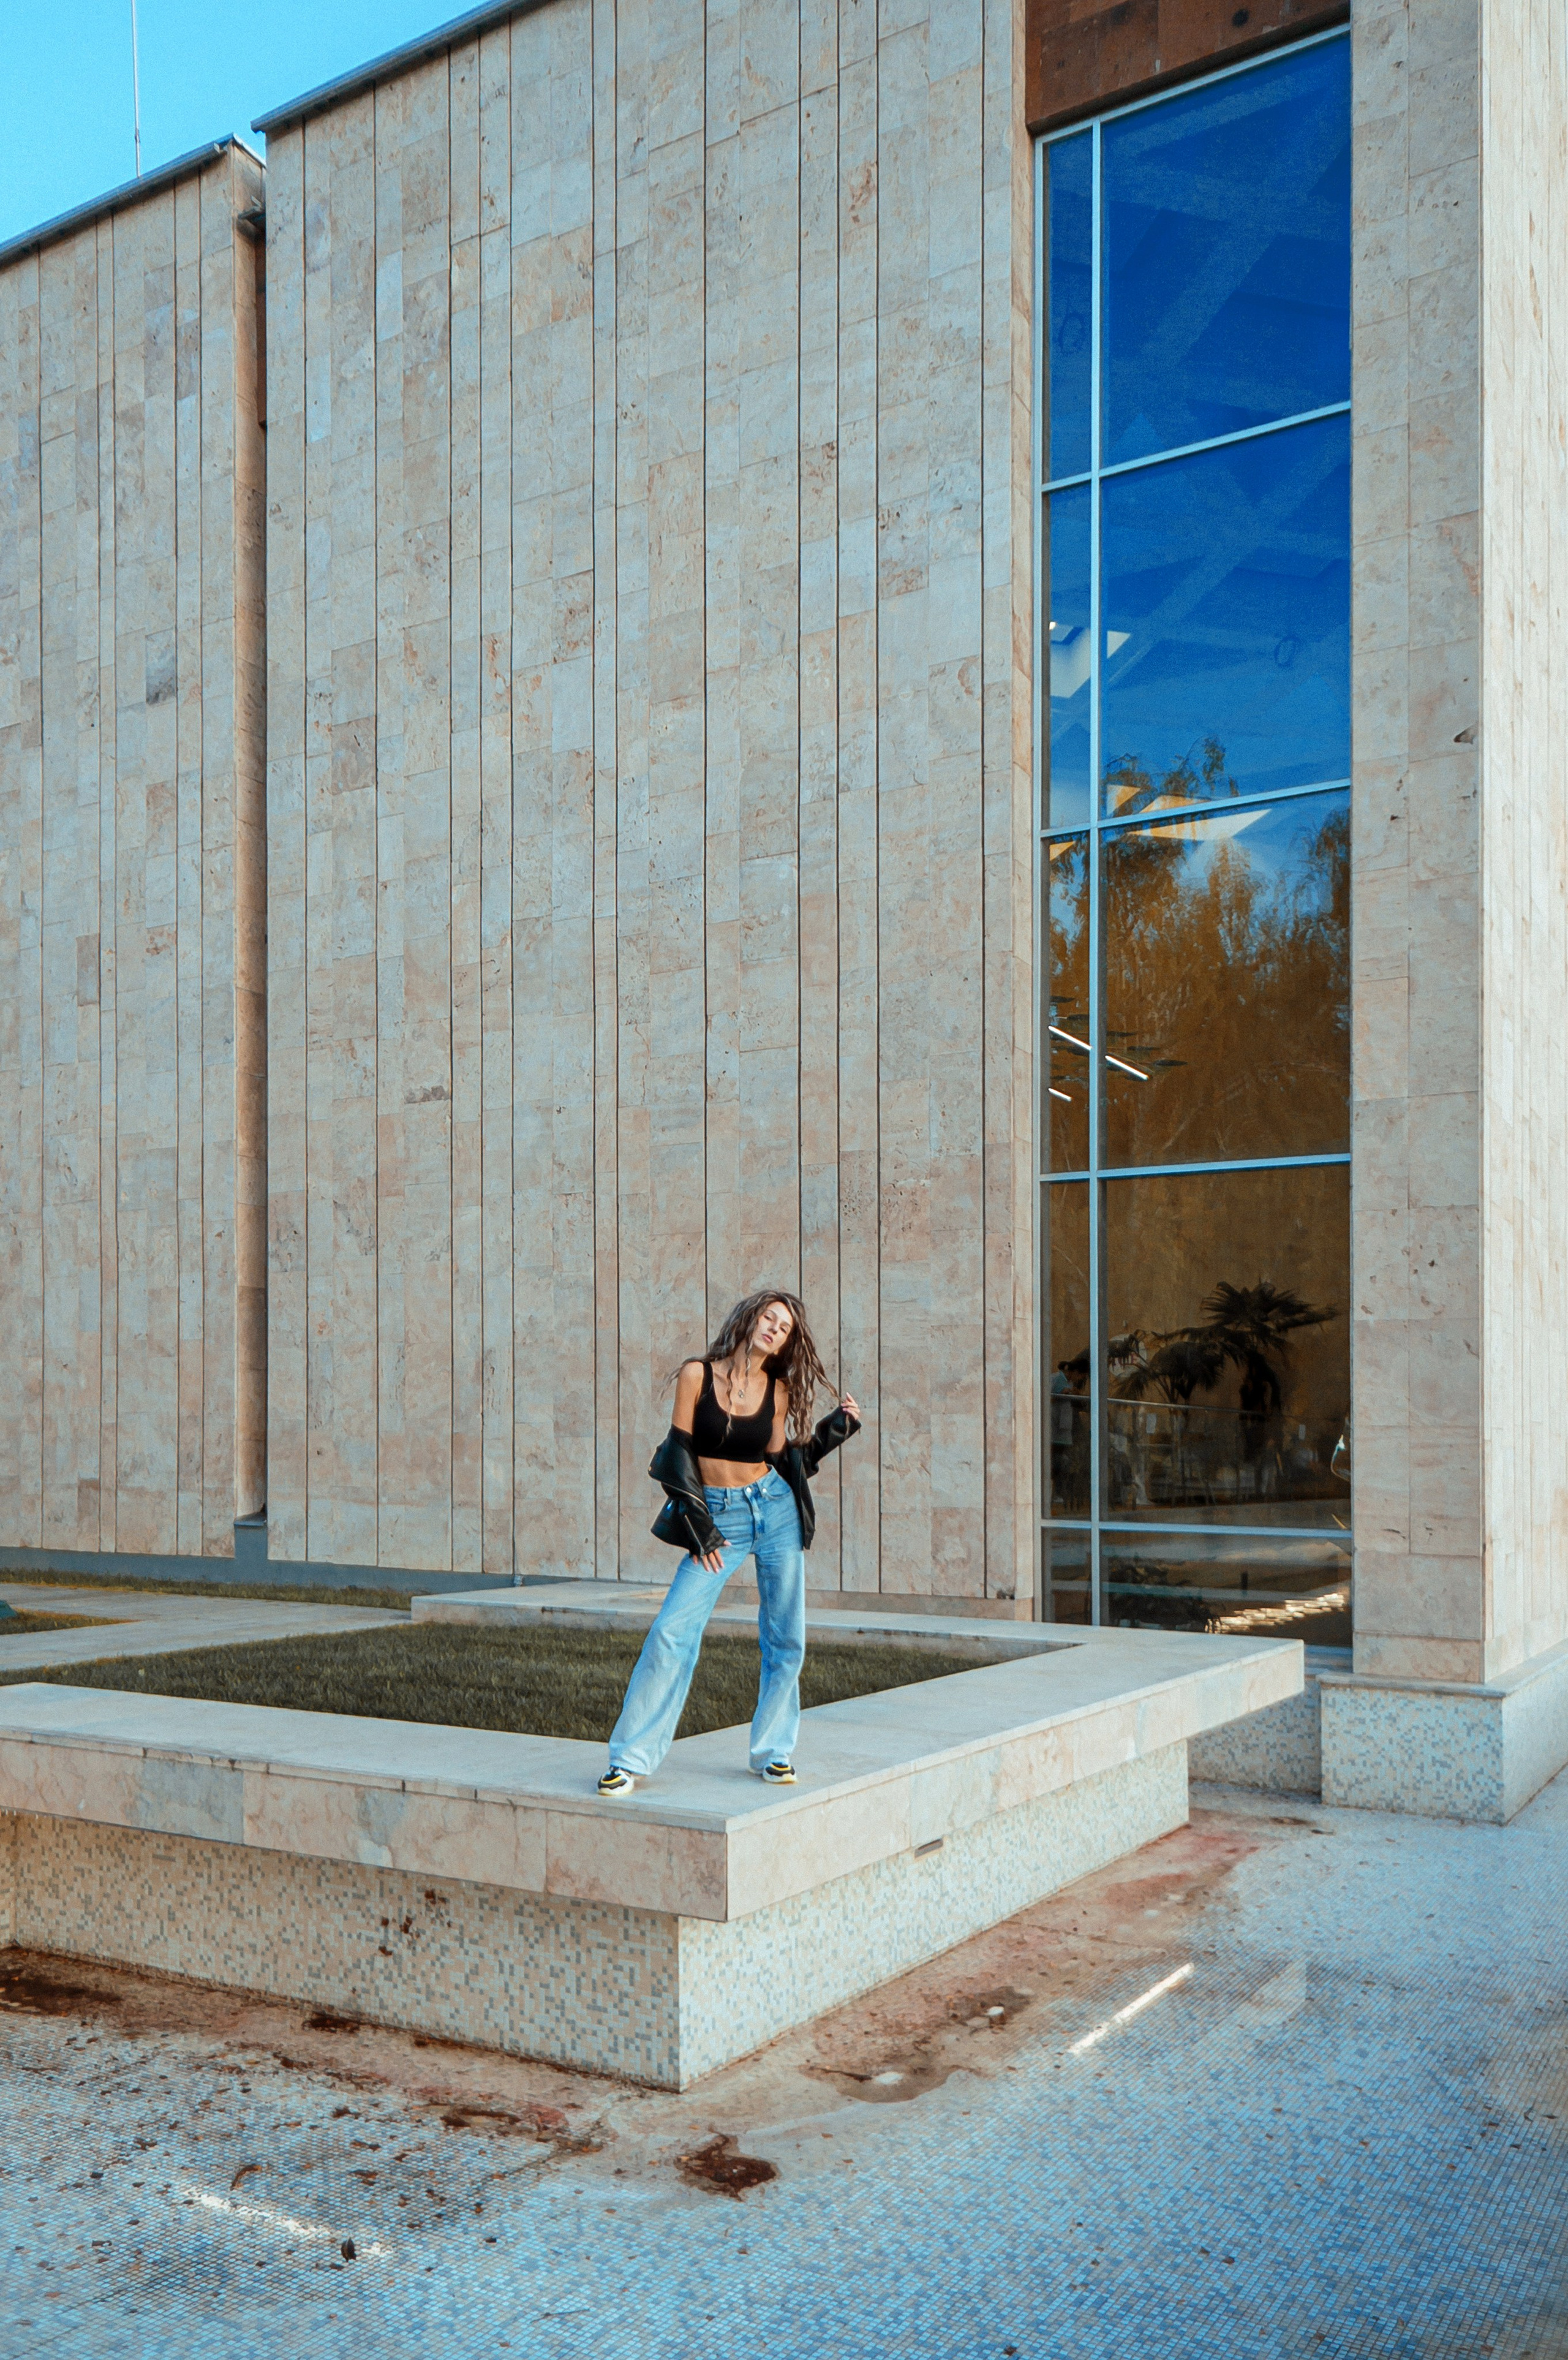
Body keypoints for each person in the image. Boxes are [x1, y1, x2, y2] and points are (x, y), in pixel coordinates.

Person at [596, 1290, 861, 1795]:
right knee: (672, 1631)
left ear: (785, 1343)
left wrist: (836, 1430)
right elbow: (678, 1454)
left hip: (776, 1511)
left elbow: (786, 1463)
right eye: (770, 1318)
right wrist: (702, 1527)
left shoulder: (778, 1390)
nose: (774, 1329)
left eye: (784, 1328)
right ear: (750, 1318)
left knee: (785, 1637)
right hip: (720, 1517)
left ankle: (774, 1752)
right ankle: (628, 1759)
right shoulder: (697, 1374)